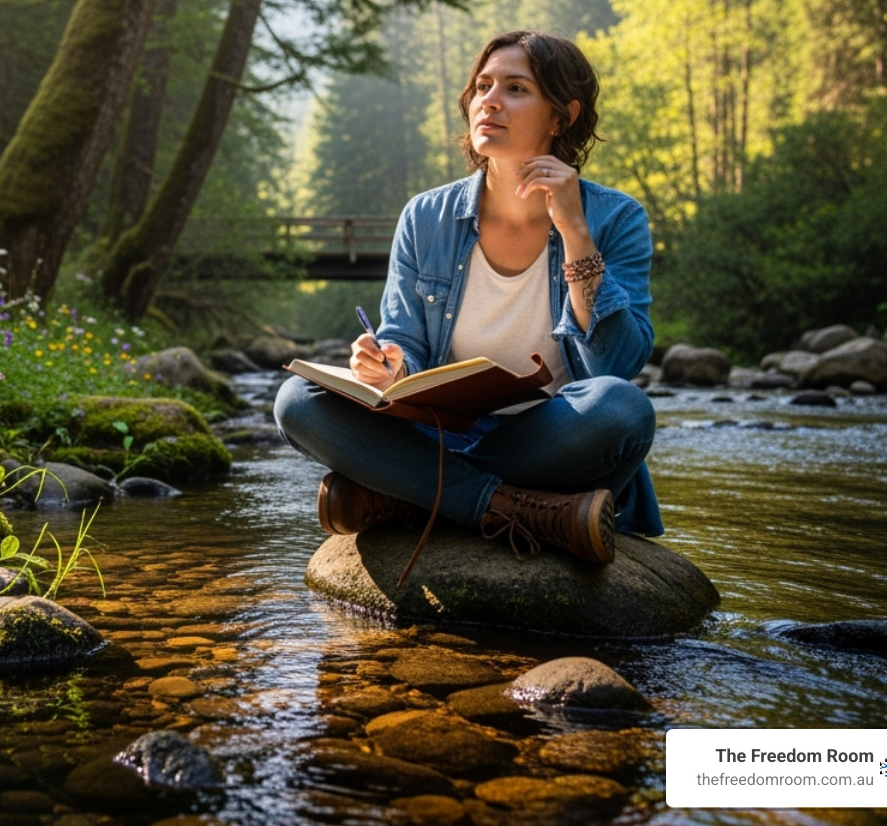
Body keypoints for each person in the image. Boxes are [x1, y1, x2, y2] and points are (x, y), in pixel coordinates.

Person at [274, 30, 661, 571]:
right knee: (296, 400)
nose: (490, 101)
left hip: (549, 438)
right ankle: (507, 507)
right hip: (434, 433)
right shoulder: (425, 216)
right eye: (483, 86)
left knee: (622, 408)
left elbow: (616, 364)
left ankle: (406, 494)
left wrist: (575, 231)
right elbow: (404, 337)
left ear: (562, 115)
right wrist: (390, 364)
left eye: (516, 88)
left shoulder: (616, 219)